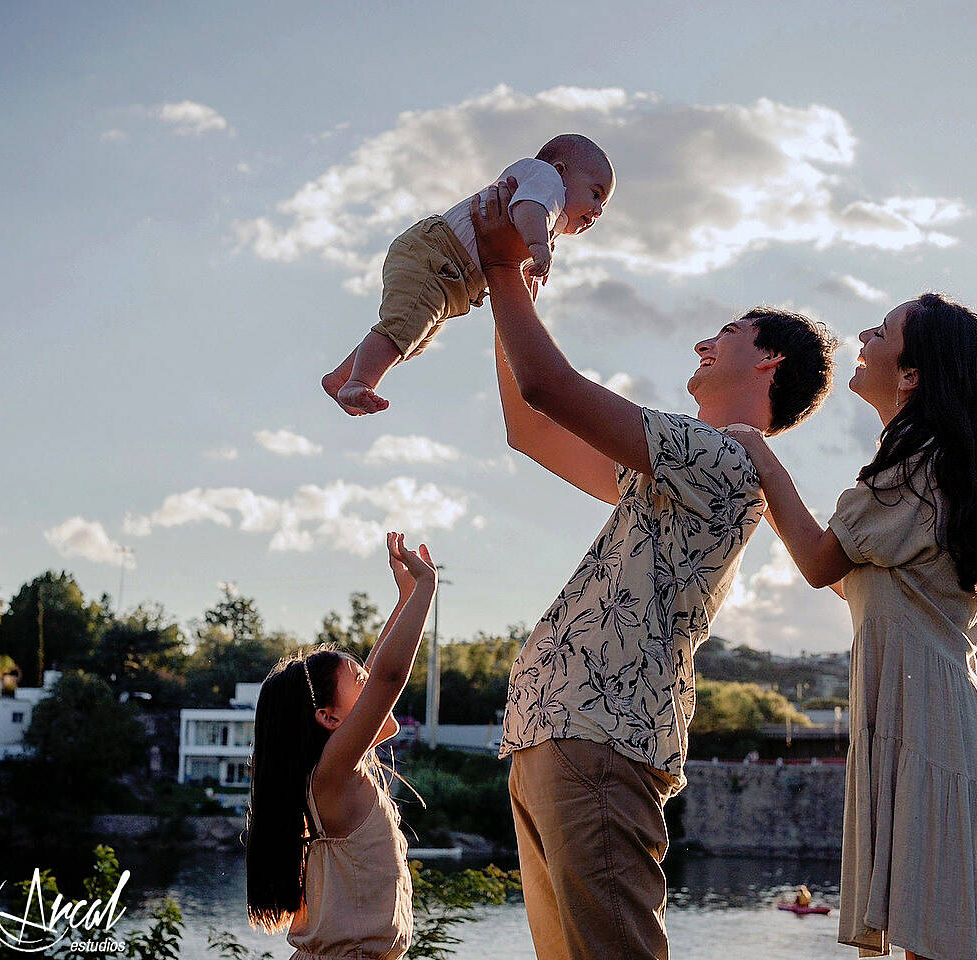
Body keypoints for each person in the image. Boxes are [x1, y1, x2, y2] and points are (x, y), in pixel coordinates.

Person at [468, 178, 839, 960]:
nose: (704, 344)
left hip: (599, 737)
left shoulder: (726, 460)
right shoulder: (671, 468)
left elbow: (549, 387)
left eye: (727, 333)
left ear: (769, 358)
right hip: (554, 732)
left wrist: (503, 272)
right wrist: (511, 290)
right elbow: (531, 426)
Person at [724, 294, 977, 960]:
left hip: (928, 731)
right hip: (941, 729)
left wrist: (762, 457)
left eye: (882, 332)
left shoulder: (916, 473)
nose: (864, 338)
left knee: (930, 945)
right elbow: (859, 582)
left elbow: (821, 562)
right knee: (931, 946)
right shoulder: (936, 471)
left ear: (911, 376)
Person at [244, 532, 437, 960]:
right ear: (329, 719)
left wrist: (404, 598)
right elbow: (386, 677)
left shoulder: (331, 772)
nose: (370, 690)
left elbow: (375, 677)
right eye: (360, 686)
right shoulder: (332, 776)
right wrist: (426, 588)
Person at [322, 134, 614, 415]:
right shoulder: (545, 179)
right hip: (436, 255)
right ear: (561, 170)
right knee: (405, 327)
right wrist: (539, 246)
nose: (598, 210)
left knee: (411, 336)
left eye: (604, 204)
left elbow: (513, 252)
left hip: (452, 278)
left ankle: (342, 377)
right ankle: (360, 381)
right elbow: (528, 209)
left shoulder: (547, 220)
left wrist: (530, 268)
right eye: (596, 193)